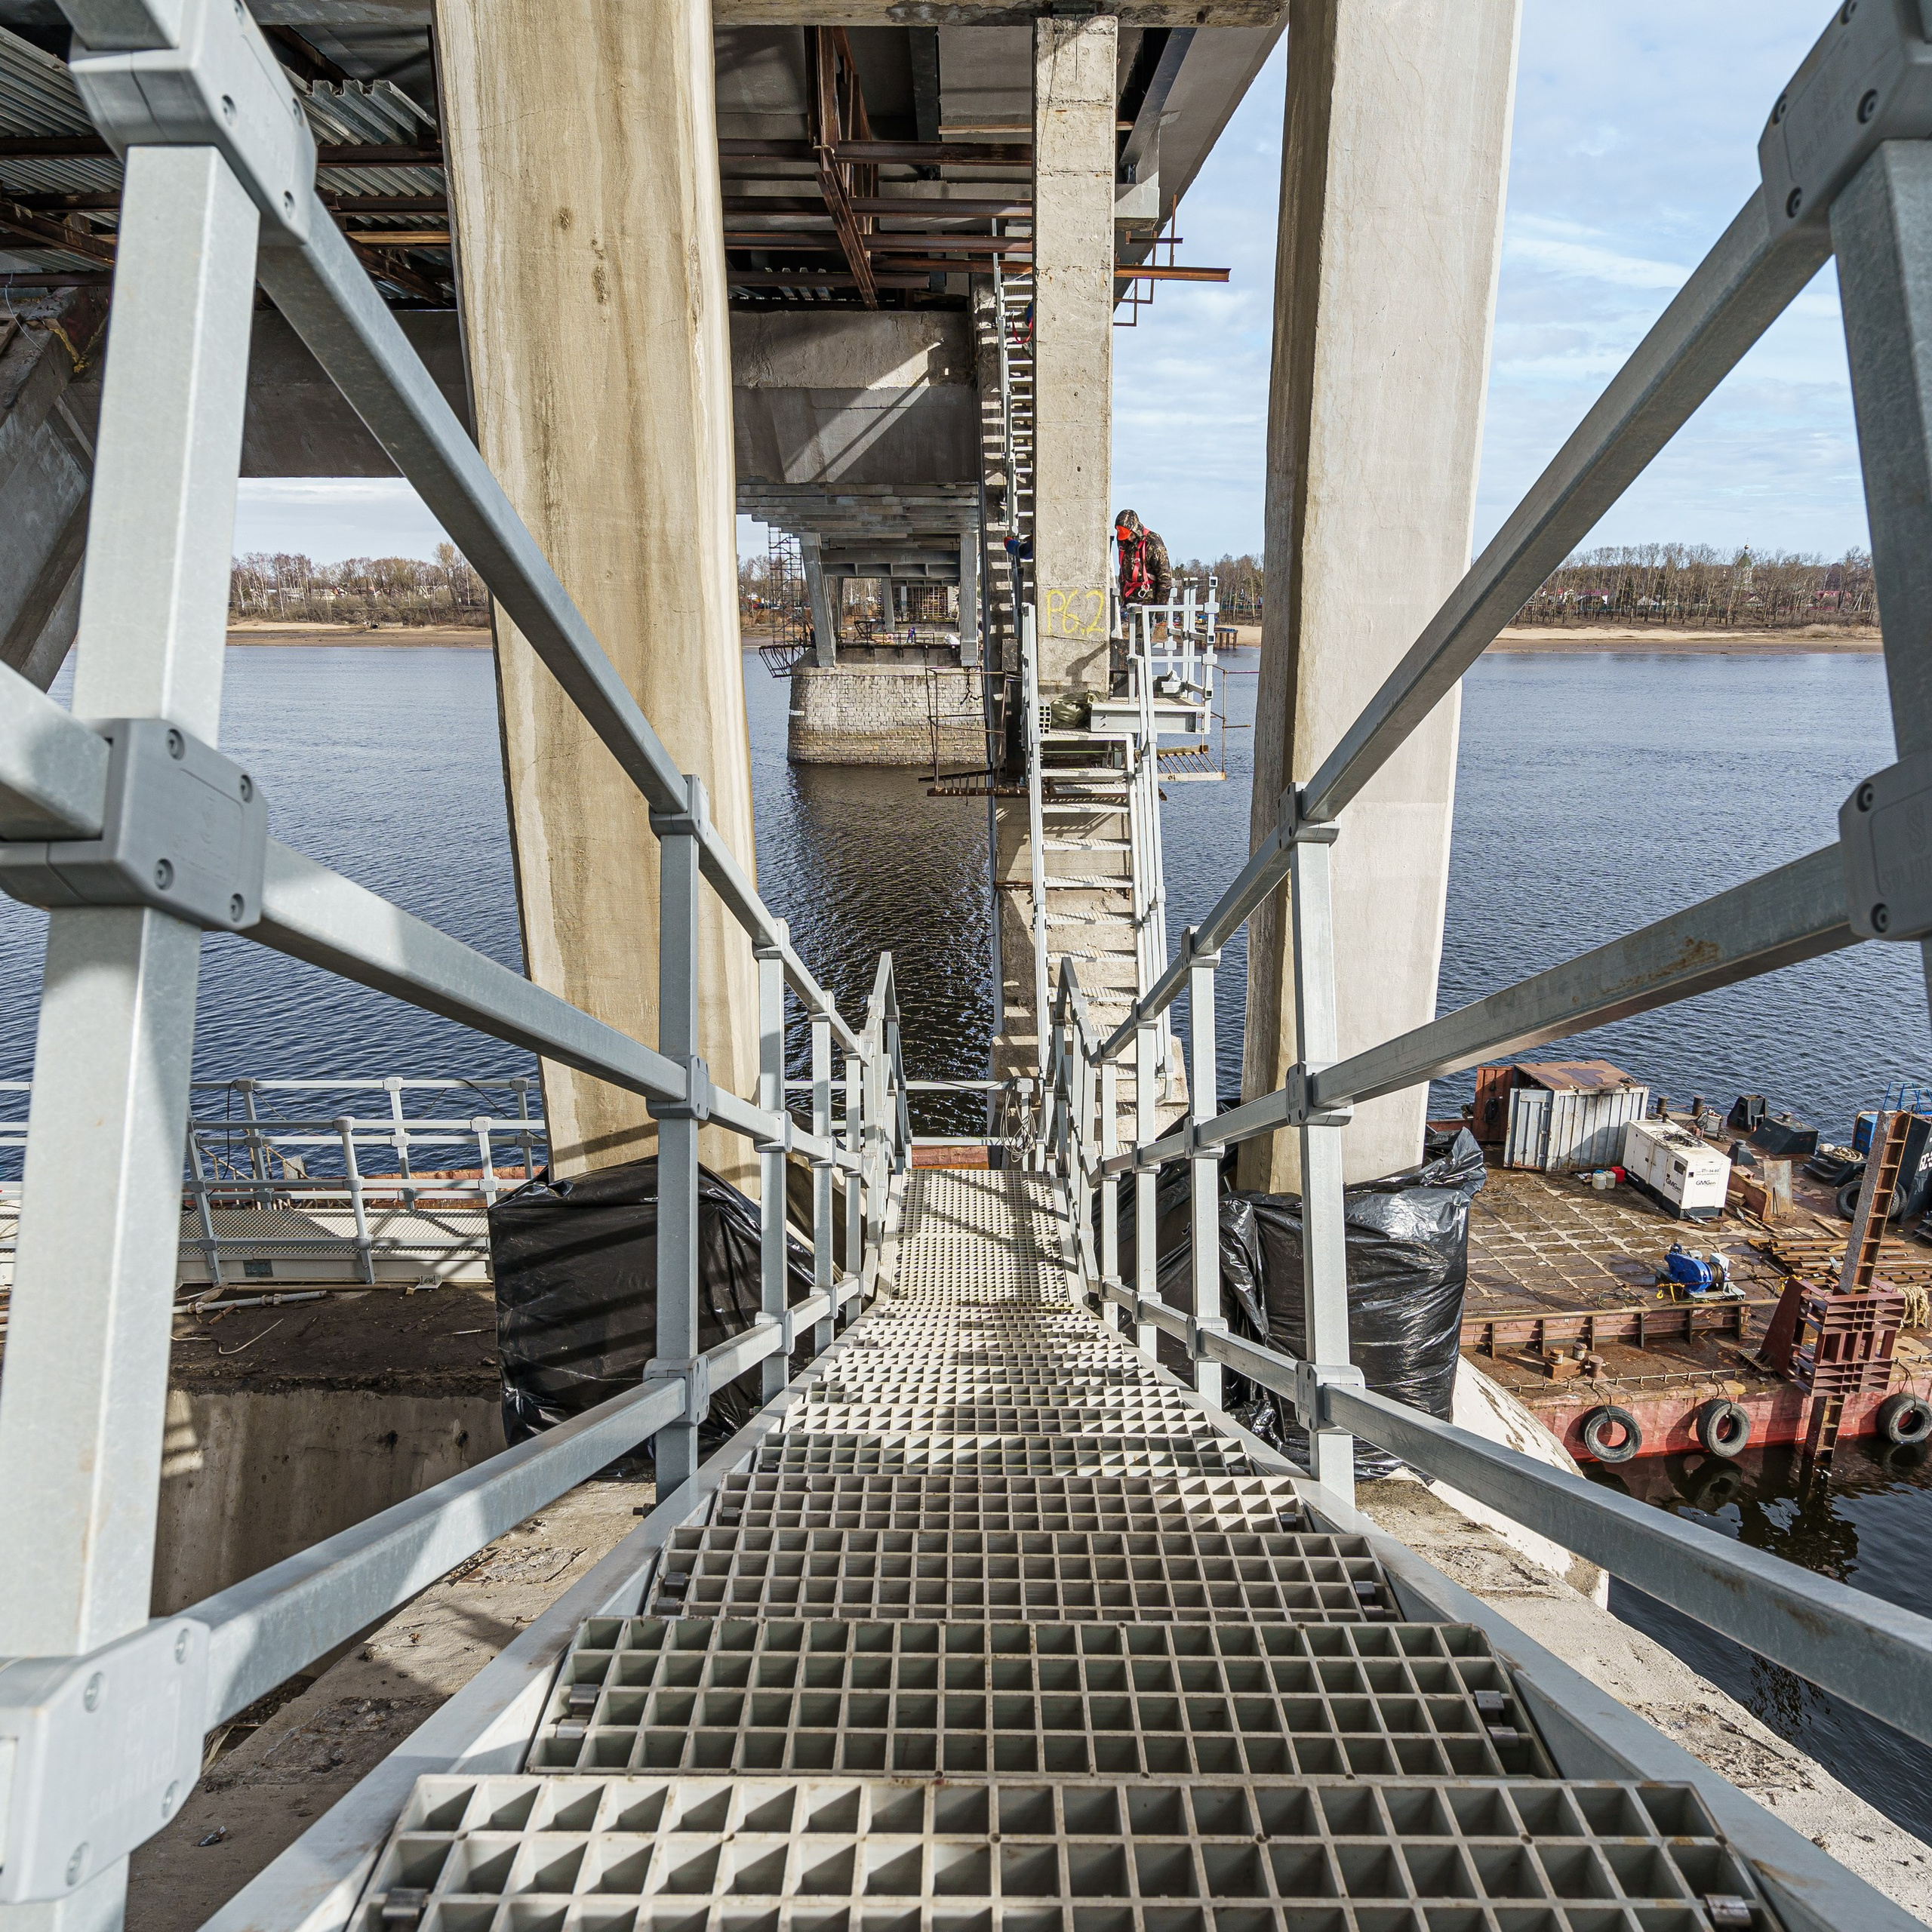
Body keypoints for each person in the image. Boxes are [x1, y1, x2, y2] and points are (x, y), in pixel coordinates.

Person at [1114, 509, 1171, 611]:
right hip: (1128, 599)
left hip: (1147, 601)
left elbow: (1165, 577)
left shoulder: (1153, 542)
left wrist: (1160, 609)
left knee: (1145, 626)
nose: (1129, 539)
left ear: (1135, 529)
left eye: (1131, 535)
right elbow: (1123, 571)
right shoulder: (1123, 542)